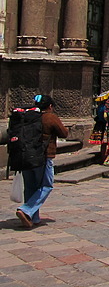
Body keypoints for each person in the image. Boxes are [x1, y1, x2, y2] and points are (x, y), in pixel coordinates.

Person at [13, 94, 69, 228]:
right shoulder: (50, 117)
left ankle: (33, 217)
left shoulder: (27, 116)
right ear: (50, 106)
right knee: (46, 185)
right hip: (43, 156)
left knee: (30, 187)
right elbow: (64, 133)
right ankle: (26, 209)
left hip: (25, 155)